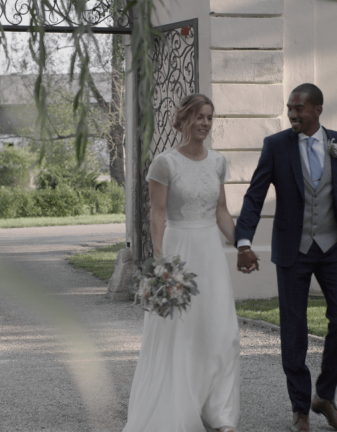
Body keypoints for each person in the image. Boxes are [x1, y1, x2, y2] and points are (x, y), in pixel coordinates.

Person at [235, 84, 337, 432]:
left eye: (299, 108)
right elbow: (254, 196)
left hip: (334, 249)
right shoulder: (276, 146)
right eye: (289, 108)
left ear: (317, 109)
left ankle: (325, 395)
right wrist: (244, 241)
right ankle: (300, 408)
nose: (292, 114)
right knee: (294, 330)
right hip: (294, 250)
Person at [122, 94, 240, 432]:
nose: (205, 123)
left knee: (223, 330)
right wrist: (160, 262)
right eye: (199, 117)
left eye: (209, 118)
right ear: (184, 120)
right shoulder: (165, 163)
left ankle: (220, 415)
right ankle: (177, 408)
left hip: (210, 251)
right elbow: (157, 214)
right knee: (181, 331)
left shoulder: (218, 162)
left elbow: (221, 211)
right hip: (178, 249)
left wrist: (242, 243)